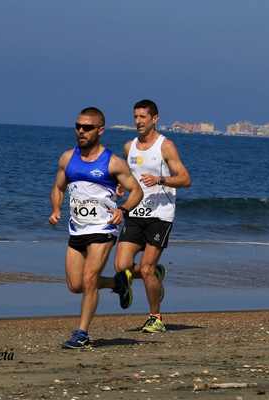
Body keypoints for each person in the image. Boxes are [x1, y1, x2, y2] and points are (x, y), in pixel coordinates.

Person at [49, 107, 143, 349]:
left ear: (100, 130)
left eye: (87, 127)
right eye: (78, 126)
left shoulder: (113, 162)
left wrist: (122, 210)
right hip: (77, 229)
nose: (81, 131)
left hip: (103, 228)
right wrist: (56, 209)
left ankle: (82, 333)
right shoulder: (67, 158)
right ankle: (118, 284)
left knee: (90, 280)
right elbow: (59, 187)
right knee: (76, 285)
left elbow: (137, 191)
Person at [114, 99, 191, 333]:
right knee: (122, 266)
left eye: (143, 117)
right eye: (135, 117)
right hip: (136, 211)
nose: (138, 121)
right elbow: (128, 175)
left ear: (154, 119)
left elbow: (185, 179)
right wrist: (121, 186)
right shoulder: (129, 147)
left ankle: (155, 318)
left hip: (161, 215)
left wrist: (160, 180)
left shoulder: (165, 146)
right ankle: (157, 274)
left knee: (145, 268)